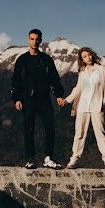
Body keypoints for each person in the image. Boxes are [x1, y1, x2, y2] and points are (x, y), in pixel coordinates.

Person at [11, 28, 66, 169]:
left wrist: (59, 95)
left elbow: (54, 78)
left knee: (50, 127)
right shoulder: (22, 60)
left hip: (44, 99)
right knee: (28, 129)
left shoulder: (46, 60)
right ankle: (31, 159)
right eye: (32, 39)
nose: (34, 42)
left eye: (37, 39)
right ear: (28, 39)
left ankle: (48, 158)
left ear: (40, 40)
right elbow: (16, 81)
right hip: (27, 99)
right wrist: (17, 98)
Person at [58, 46, 105, 170]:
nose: (88, 58)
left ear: (92, 55)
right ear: (81, 59)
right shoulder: (82, 71)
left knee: (100, 133)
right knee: (79, 134)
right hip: (82, 106)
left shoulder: (101, 69)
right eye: (84, 56)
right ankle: (74, 159)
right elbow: (78, 89)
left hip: (97, 106)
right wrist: (66, 100)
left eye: (89, 55)